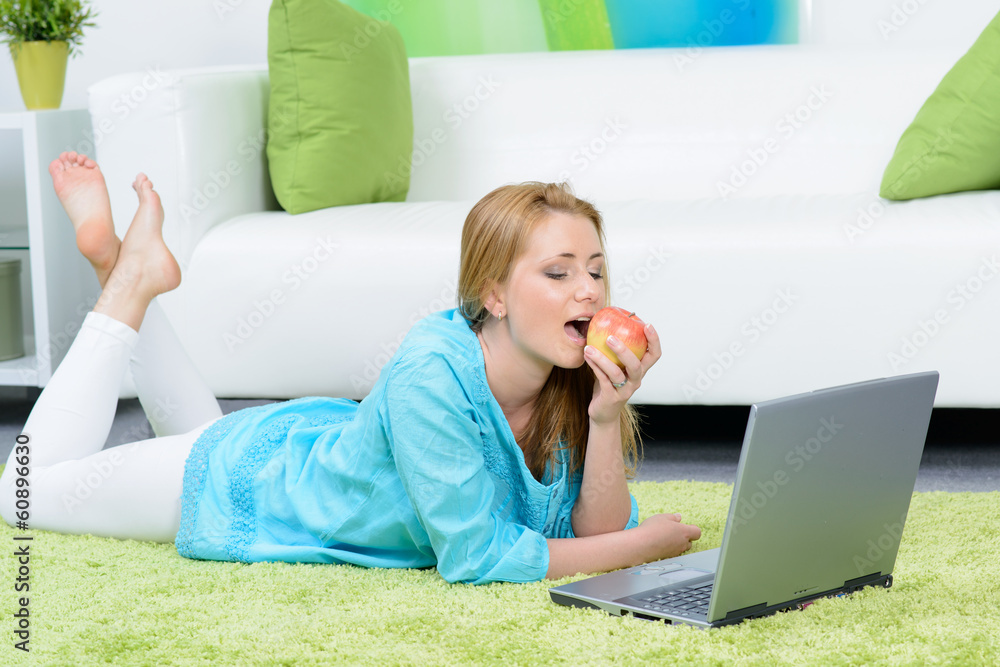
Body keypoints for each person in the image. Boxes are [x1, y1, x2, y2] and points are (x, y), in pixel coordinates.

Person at [0, 152, 701, 584]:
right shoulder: (433, 370)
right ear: (493, 293)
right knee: (23, 495)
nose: (589, 291)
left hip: (304, 448)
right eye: (559, 272)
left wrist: (606, 416)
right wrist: (638, 546)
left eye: (597, 272)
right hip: (246, 489)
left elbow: (589, 527)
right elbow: (477, 557)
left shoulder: (570, 380)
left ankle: (121, 264)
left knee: (197, 429)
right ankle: (124, 280)